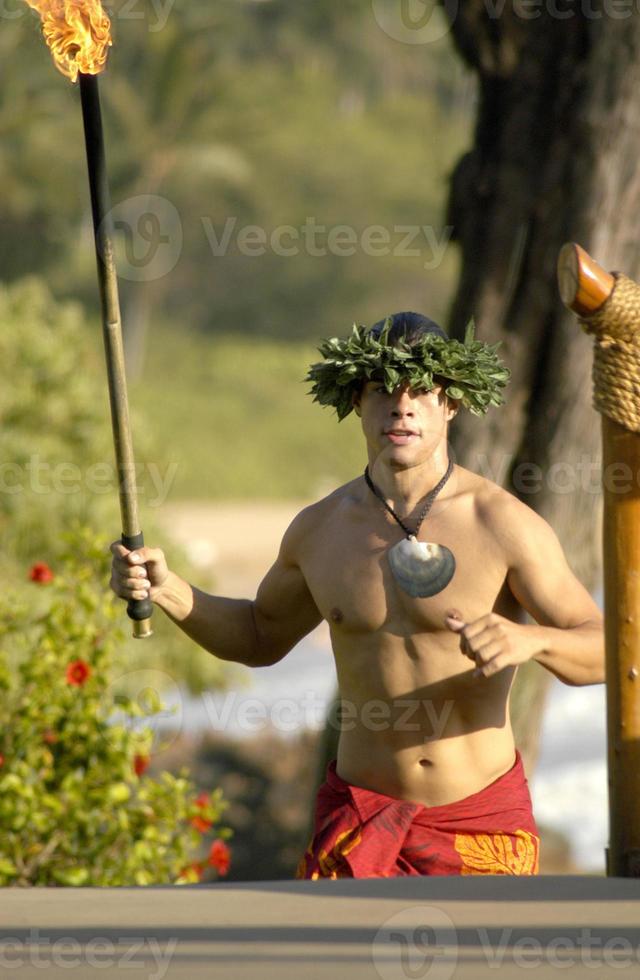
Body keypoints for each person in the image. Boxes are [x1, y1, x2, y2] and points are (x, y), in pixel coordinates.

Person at [110, 311, 604, 878]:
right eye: (380, 390)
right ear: (355, 403)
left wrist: (529, 639)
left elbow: (605, 651)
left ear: (451, 404)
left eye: (421, 389)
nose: (402, 404)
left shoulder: (503, 525)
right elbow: (258, 636)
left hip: (476, 823)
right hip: (358, 819)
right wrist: (167, 588)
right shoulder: (320, 531)